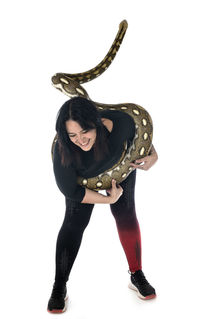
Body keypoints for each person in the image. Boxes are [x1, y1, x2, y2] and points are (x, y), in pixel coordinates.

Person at [47, 97, 158, 313]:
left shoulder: (120, 124)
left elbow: (138, 132)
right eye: (72, 135)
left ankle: (136, 274)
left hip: (120, 169)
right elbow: (71, 191)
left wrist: (153, 153)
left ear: (96, 122)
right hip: (82, 182)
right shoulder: (63, 152)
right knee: (74, 224)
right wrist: (107, 199)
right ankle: (59, 286)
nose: (80, 140)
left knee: (126, 214)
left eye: (84, 131)